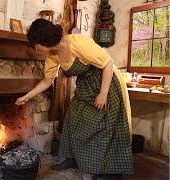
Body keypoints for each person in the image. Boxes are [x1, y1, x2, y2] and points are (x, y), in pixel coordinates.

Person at [15, 18, 133, 180]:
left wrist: (103, 94)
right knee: (72, 117)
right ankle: (71, 158)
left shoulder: (78, 42)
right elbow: (47, 81)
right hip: (87, 85)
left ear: (44, 39)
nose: (36, 49)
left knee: (104, 125)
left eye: (36, 45)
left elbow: (108, 63)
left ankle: (109, 170)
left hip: (106, 82)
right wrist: (25, 97)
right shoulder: (52, 56)